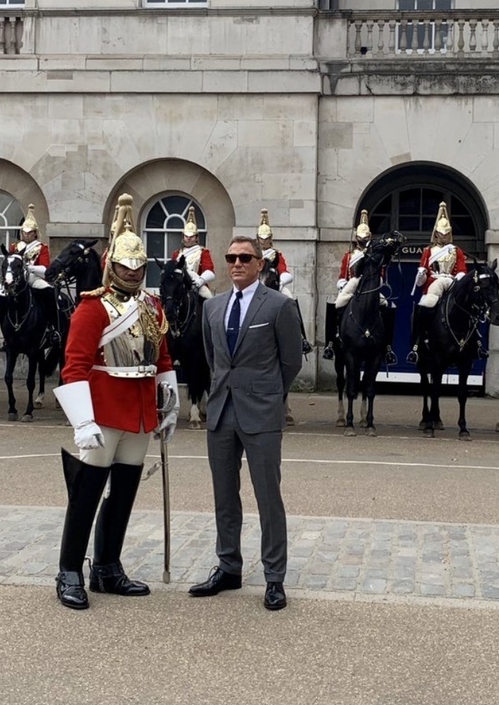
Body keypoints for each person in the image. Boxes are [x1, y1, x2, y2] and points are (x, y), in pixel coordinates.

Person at [53, 193, 179, 611]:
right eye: (127, 265)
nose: (134, 272)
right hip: (104, 409)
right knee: (86, 495)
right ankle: (69, 569)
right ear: (112, 265)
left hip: (141, 412)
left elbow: (161, 358)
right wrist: (82, 421)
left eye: (139, 265)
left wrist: (170, 403)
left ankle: (108, 566)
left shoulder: (152, 305)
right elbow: (74, 367)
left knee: (123, 494)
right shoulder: (92, 309)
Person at [189, 235, 303, 611]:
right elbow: (213, 357)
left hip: (261, 411)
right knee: (224, 495)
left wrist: (270, 395)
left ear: (259, 264)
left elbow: (291, 362)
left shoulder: (279, 306)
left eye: (244, 257)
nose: (236, 263)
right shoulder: (213, 307)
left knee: (268, 497)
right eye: (231, 257)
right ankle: (229, 566)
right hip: (222, 411)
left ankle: (274, 577)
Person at [322, 209, 397, 364]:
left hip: (370, 285)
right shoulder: (348, 256)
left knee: (386, 305)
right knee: (336, 305)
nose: (363, 242)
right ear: (356, 238)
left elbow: (381, 275)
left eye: (365, 238)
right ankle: (330, 343)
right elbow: (343, 275)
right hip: (352, 285)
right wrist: (343, 284)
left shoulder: (375, 255)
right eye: (360, 239)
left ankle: (388, 347)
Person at [408, 202, 472, 360]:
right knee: (423, 308)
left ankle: (475, 343)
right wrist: (421, 274)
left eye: (446, 234)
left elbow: (462, 270)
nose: (443, 237)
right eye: (440, 234)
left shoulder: (456, 251)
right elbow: (420, 283)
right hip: (432, 285)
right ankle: (417, 343)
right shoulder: (428, 251)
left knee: (468, 308)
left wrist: (458, 278)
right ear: (436, 234)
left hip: (451, 283)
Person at [1, 204, 61, 349]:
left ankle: (52, 328)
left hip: (33, 278)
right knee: (0, 297)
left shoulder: (41, 247)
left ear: (35, 233)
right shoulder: (15, 247)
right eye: (24, 232)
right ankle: (6, 334)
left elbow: (45, 268)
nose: (26, 235)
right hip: (17, 280)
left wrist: (29, 267)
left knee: (49, 291)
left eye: (29, 233)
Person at [257, 208, 312, 355]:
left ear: (270, 238)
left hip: (274, 284)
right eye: (261, 238)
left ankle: (301, 338)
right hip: (254, 285)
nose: (263, 241)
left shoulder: (276, 254)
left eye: (266, 238)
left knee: (290, 300)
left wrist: (281, 283)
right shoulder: (253, 255)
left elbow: (284, 270)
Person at [169, 206, 216, 298]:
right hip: (179, 285)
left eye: (191, 236)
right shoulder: (177, 253)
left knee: (209, 298)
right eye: (186, 236)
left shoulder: (203, 252)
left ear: (197, 237)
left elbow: (210, 271)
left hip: (197, 284)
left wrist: (200, 281)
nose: (188, 238)